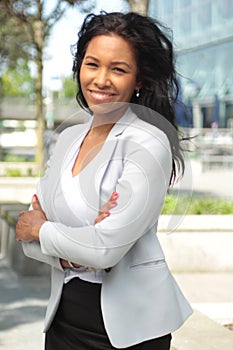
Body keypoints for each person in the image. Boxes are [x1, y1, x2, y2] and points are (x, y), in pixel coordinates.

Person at [16, 11, 192, 350]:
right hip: (63, 319)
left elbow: (103, 249)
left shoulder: (148, 142)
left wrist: (45, 230)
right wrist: (76, 246)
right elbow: (26, 234)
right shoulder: (67, 139)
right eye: (92, 64)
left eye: (119, 69)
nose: (101, 79)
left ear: (139, 79)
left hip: (129, 330)